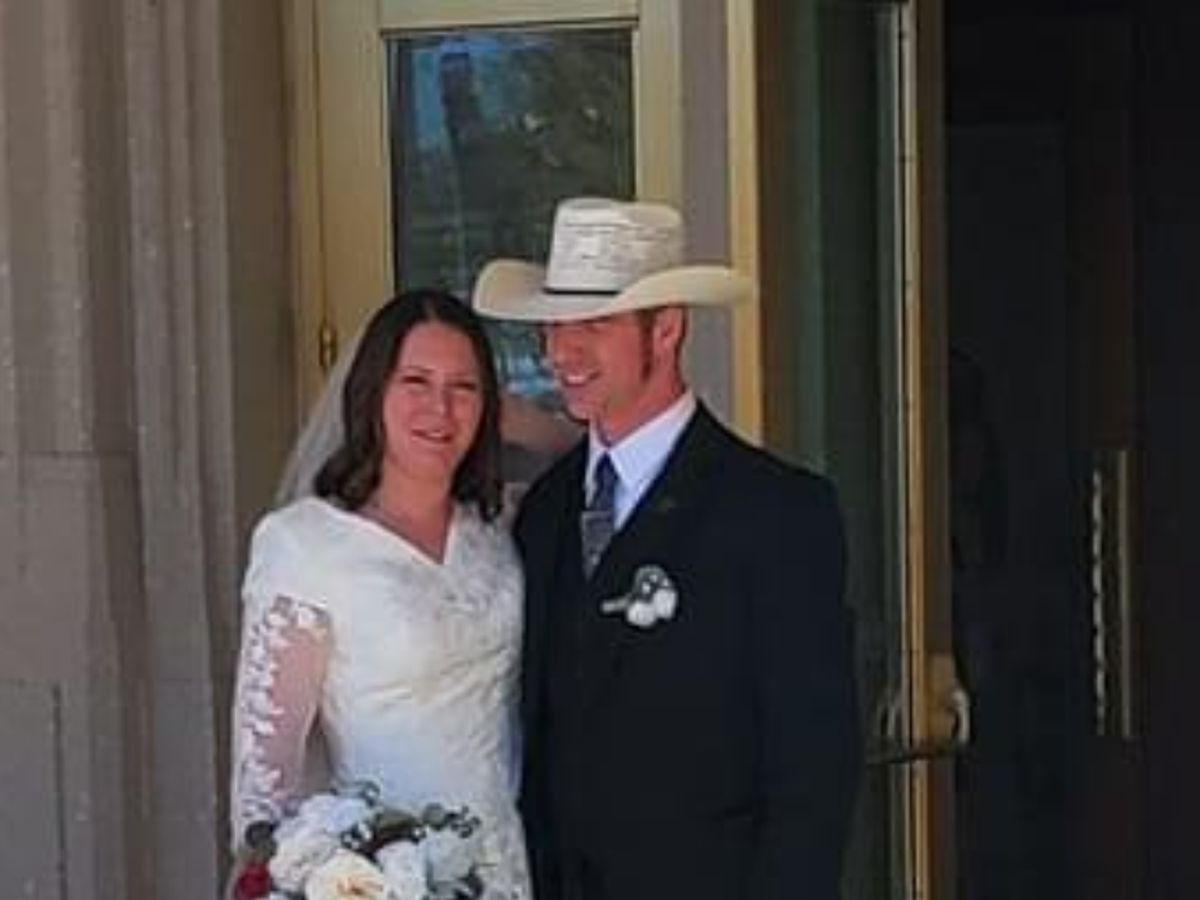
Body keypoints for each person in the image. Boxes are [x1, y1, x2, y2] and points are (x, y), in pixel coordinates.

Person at [472, 197, 862, 900]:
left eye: (595, 324)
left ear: (668, 328)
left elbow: (813, 777)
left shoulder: (776, 513)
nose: (561, 353)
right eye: (554, 326)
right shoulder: (547, 512)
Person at [228, 288, 531, 898]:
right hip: (385, 871)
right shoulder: (307, 545)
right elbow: (267, 778)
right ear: (373, 392)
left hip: (506, 863)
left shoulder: (495, 531)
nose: (440, 408)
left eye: (464, 387)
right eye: (415, 381)